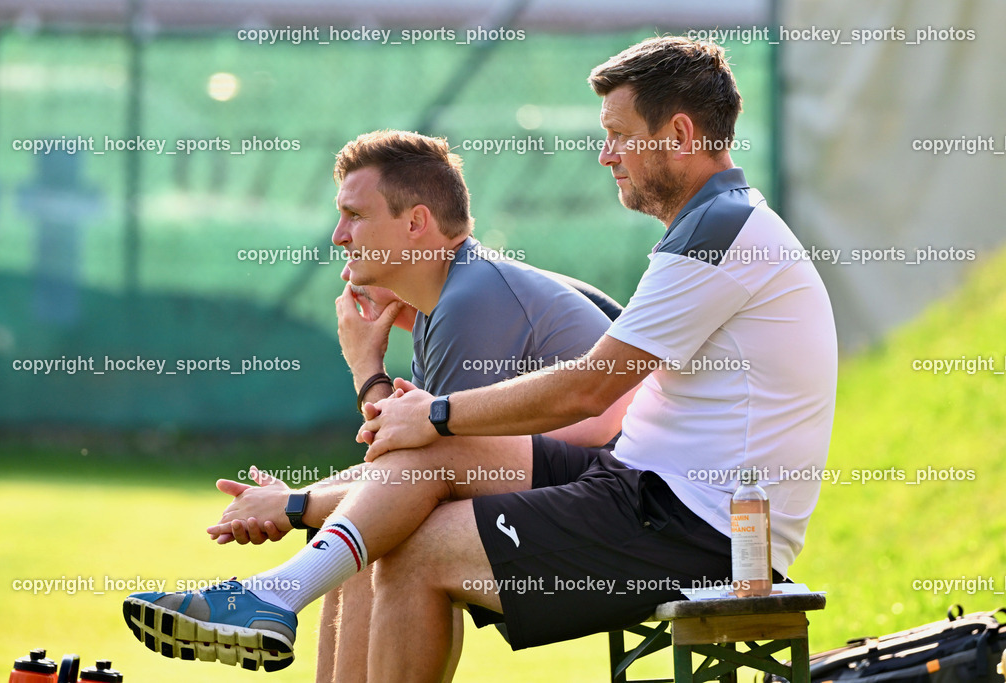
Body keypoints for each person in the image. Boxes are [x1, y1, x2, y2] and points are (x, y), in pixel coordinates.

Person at [123, 36, 838, 682]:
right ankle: (273, 595)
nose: (606, 154)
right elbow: (422, 446)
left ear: (679, 134)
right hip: (642, 485)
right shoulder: (715, 224)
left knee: (411, 546)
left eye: (619, 136)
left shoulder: (719, 231)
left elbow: (586, 391)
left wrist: (425, 413)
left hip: (700, 526)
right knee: (418, 474)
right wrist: (421, 419)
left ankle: (274, 593)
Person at [122, 129, 629, 676]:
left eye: (355, 216)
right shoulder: (456, 296)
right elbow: (407, 468)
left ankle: (272, 595)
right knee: (368, 539)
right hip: (585, 491)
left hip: (623, 512)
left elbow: (425, 469)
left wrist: (361, 379)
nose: (339, 238)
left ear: (415, 223)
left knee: (389, 534)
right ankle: (272, 598)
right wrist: (301, 498)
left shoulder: (471, 299)